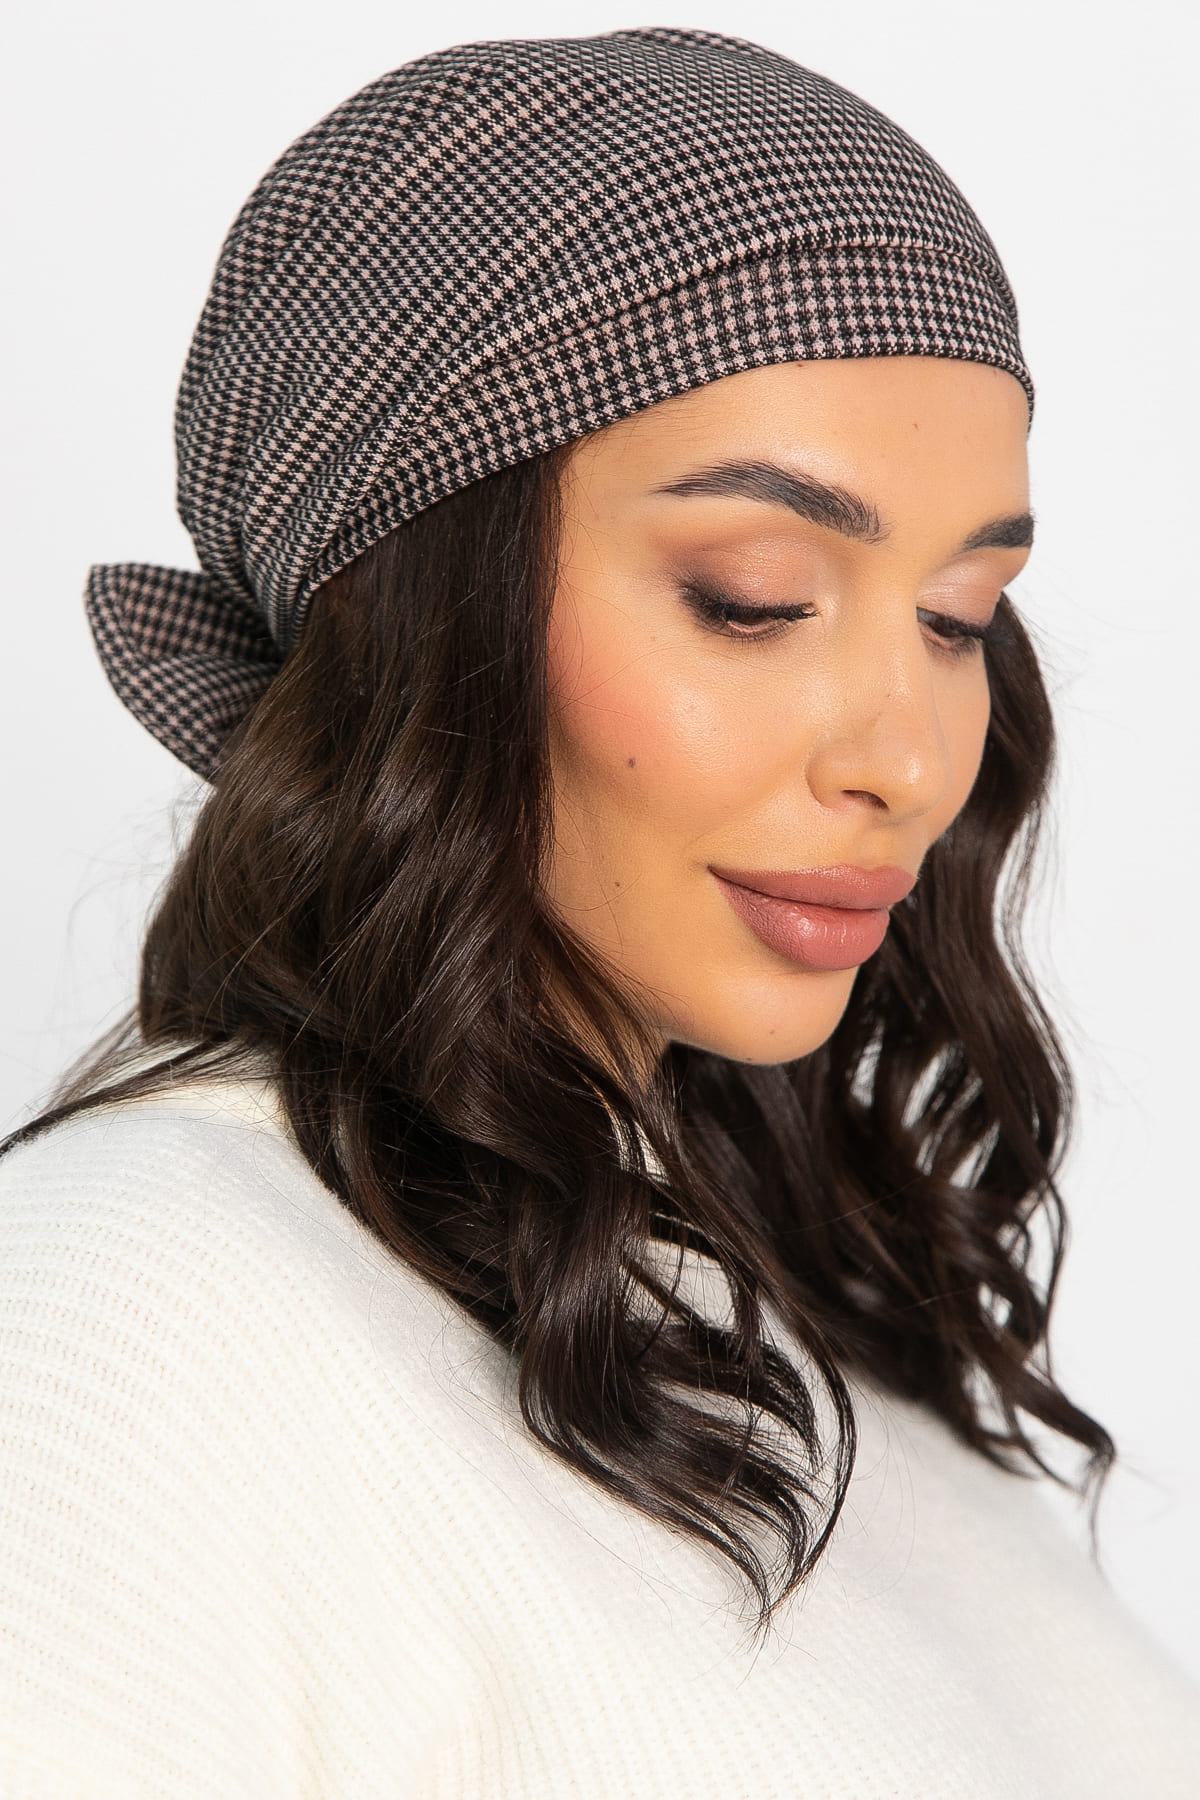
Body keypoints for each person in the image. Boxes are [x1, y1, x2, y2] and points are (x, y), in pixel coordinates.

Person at [1, 25, 1196, 1798]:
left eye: (956, 617)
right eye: (754, 598)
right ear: (416, 609)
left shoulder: (805, 1317)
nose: (908, 759)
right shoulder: (120, 1329)